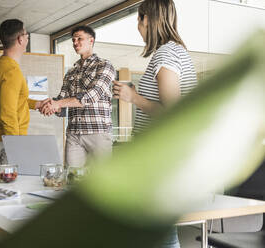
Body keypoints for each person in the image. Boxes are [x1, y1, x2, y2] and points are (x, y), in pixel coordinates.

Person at [113, 0, 198, 247]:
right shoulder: (177, 51)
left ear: (148, 19)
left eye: (138, 21)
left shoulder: (166, 53)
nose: (138, 28)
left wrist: (134, 98)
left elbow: (173, 115)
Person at [41, 25, 115, 168]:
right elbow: (61, 103)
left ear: (91, 40)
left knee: (101, 182)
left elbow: (91, 96)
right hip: (74, 134)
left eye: (79, 39)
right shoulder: (70, 73)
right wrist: (49, 105)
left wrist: (58, 103)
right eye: (73, 40)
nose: (75, 43)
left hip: (98, 133)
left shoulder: (105, 65)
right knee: (72, 179)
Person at [0, 19, 46, 164]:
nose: (27, 38)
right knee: (16, 183)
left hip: (3, 137)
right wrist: (16, 145)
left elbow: (14, 101)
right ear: (20, 39)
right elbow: (8, 113)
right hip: (10, 139)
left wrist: (37, 104)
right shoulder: (12, 70)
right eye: (26, 35)